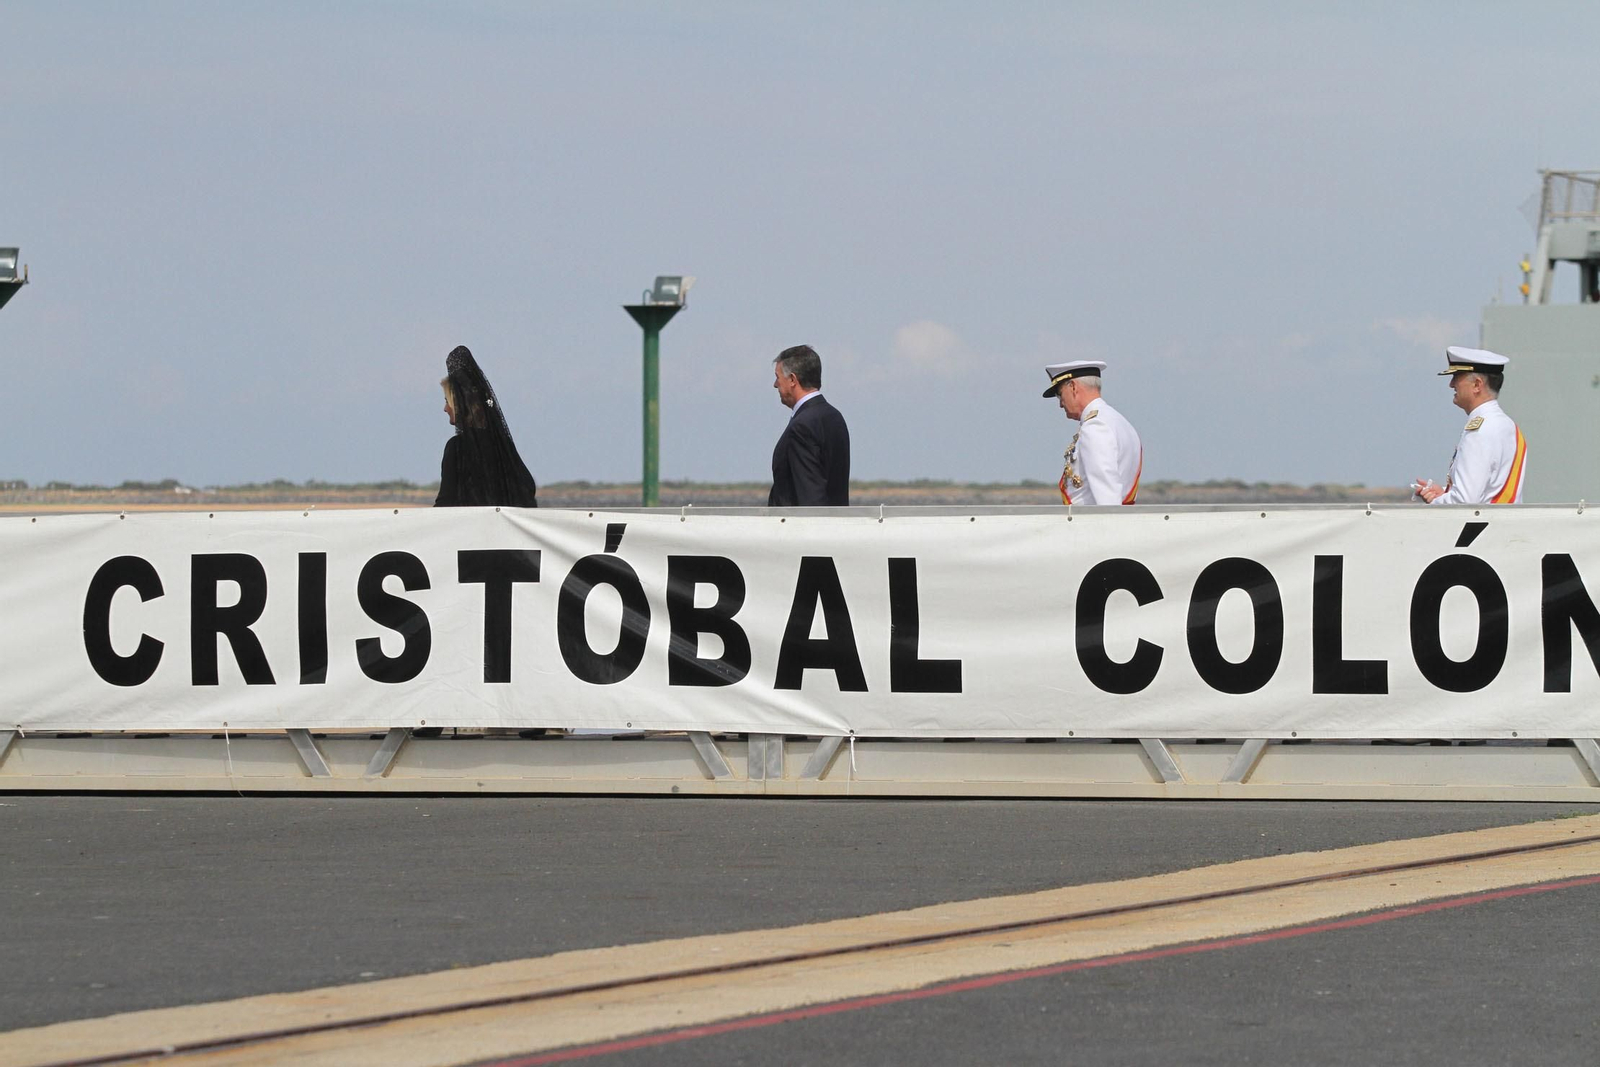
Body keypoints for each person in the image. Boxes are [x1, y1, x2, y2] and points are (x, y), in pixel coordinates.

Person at [1414, 347, 1527, 505]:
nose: (1451, 384)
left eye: (1456, 376)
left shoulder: (1480, 429)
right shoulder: (1507, 425)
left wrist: (1436, 502)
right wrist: (1447, 494)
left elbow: (1464, 501)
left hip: (1483, 527)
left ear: (1477, 385)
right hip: (1503, 526)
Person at [434, 345, 538, 508]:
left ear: (460, 405)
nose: (445, 408)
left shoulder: (457, 448)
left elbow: (445, 503)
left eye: (447, 401)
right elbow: (527, 488)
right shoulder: (502, 446)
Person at [1041, 360, 1142, 505]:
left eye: (1060, 394)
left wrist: (1108, 526)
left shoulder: (1096, 426)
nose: (1060, 404)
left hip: (1091, 525)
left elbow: (1108, 497)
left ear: (1073, 387)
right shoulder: (1118, 422)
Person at [769, 344, 850, 506]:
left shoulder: (801, 426)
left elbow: (809, 493)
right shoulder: (835, 417)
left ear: (792, 379)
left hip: (803, 527)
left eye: (778, 377)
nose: (775, 384)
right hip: (837, 525)